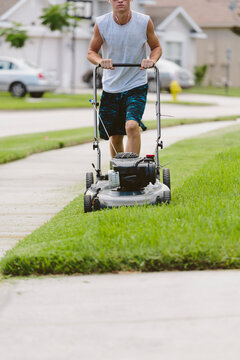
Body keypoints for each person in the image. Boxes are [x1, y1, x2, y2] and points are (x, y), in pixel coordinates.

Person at [87, 0, 162, 158]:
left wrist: (151, 60)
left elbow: (156, 47)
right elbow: (91, 52)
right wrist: (100, 61)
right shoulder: (102, 23)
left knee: (132, 126)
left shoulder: (144, 21)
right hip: (111, 86)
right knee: (115, 135)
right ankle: (119, 172)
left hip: (136, 84)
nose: (119, 1)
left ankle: (131, 171)